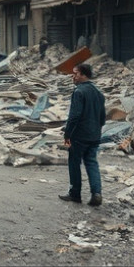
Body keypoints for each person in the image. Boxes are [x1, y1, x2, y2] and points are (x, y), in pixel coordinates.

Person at [59, 63, 106, 206]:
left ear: (84, 75)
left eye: (76, 74)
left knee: (74, 162)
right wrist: (96, 130)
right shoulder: (98, 93)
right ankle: (96, 193)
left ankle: (75, 194)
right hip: (94, 135)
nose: (73, 77)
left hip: (79, 135)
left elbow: (74, 116)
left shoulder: (79, 92)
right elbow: (102, 117)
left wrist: (67, 134)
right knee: (91, 162)